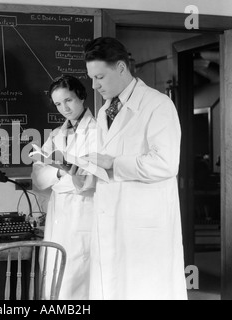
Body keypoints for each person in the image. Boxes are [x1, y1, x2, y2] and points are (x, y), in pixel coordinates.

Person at [83, 37, 187, 300]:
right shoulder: (106, 109)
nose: (94, 86)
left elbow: (166, 163)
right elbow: (107, 166)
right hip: (112, 220)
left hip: (144, 227)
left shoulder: (157, 105)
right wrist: (85, 170)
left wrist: (113, 164)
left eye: (99, 77)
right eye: (91, 78)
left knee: (143, 290)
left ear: (120, 68)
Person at [31, 75, 98, 300]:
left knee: (77, 280)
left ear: (81, 96)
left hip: (83, 214)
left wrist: (61, 176)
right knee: (53, 278)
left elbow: (90, 179)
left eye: (68, 100)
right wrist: (61, 172)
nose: (64, 108)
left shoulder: (97, 132)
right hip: (58, 215)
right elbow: (38, 178)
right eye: (58, 104)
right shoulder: (56, 135)